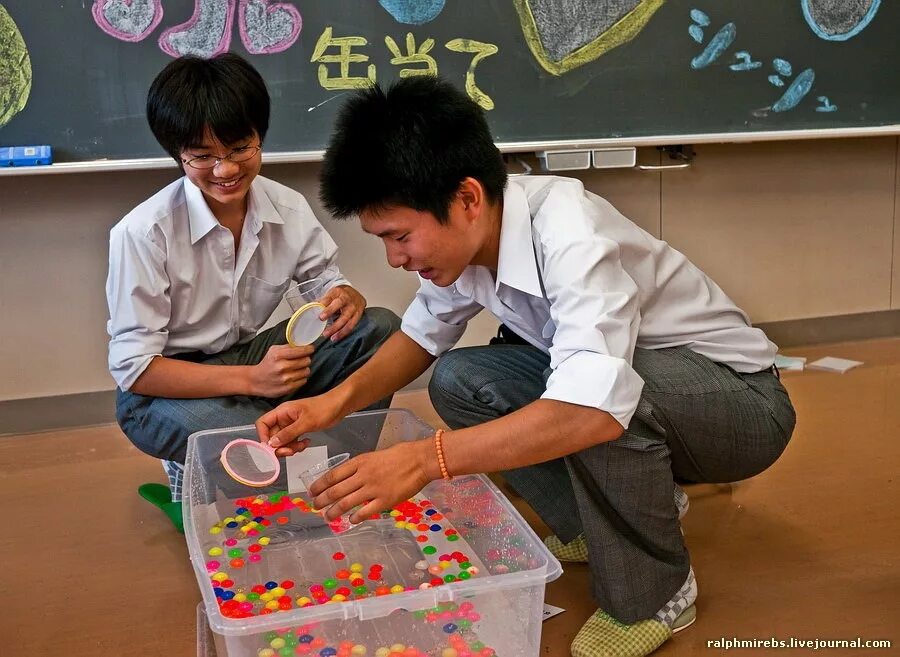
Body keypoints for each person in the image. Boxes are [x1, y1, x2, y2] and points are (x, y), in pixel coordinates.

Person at [255, 76, 796, 657]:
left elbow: (592, 409)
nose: (395, 258)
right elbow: (420, 336)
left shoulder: (568, 231)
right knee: (461, 379)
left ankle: (656, 592)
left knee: (605, 400)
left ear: (465, 198)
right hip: (648, 386)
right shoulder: (470, 240)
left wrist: (424, 460)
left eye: (400, 236)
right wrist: (328, 404)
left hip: (741, 405)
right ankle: (604, 526)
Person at [105, 53, 399, 530]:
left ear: (260, 135)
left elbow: (324, 283)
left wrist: (345, 296)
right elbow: (135, 371)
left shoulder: (286, 205)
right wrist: (251, 382)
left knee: (378, 328)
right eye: (202, 156)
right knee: (232, 434)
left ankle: (329, 465)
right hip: (161, 392)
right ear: (177, 153)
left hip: (246, 360)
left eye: (240, 148)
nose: (224, 170)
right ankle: (279, 466)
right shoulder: (143, 232)